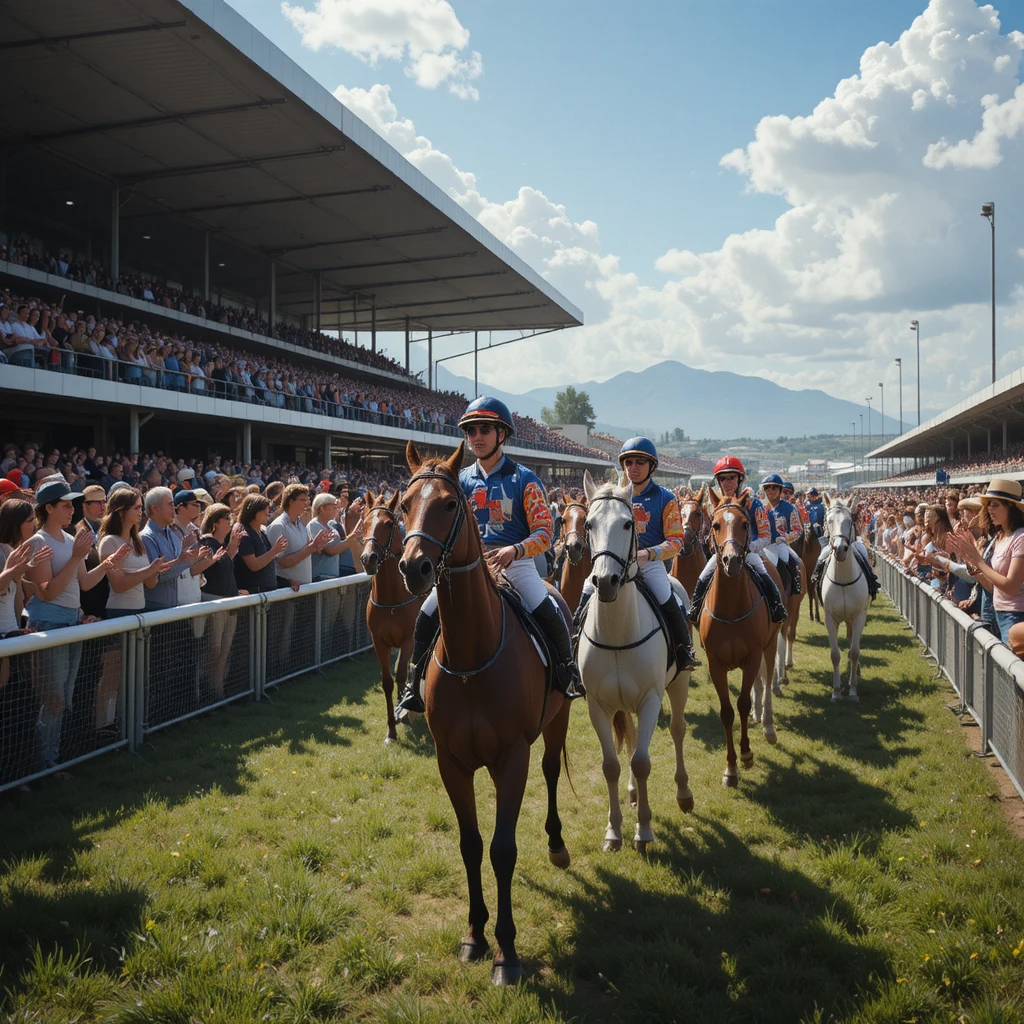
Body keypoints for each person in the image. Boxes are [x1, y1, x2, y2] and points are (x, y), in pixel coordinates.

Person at [397, 396, 583, 717]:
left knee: (546, 609)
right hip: (466, 569)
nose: (476, 437)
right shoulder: (458, 480)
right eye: (471, 431)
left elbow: (544, 533)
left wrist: (515, 550)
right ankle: (414, 685)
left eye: (484, 429)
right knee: (427, 615)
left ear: (502, 434)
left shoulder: (525, 479)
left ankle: (568, 673)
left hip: (515, 566)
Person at [25, 479, 129, 769]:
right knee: (54, 700)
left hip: (72, 623)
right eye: (66, 505)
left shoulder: (72, 541)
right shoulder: (38, 542)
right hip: (49, 624)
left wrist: (107, 565)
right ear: (48, 509)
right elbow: (47, 591)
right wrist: (75, 559)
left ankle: (52, 760)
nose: (73, 510)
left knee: (64, 700)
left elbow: (83, 582)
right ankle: (44, 764)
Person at [574, 437, 699, 671]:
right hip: (615, 563)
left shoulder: (666, 498)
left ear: (651, 466)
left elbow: (676, 541)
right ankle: (574, 648)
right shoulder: (611, 497)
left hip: (649, 564)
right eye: (629, 462)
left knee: (666, 596)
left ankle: (683, 649)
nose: (633, 467)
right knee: (586, 591)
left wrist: (649, 554)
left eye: (640, 462)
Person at [688, 456, 788, 624]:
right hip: (723, 553)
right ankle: (695, 610)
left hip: (748, 551)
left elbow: (765, 535)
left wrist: (748, 547)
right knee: (703, 577)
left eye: (731, 478)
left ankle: (777, 606)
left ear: (740, 479)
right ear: (718, 482)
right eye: (723, 479)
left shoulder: (754, 503)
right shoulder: (714, 505)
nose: (727, 482)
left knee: (763, 573)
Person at [949, 478, 1024, 645]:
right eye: (988, 504)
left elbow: (1011, 587)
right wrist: (973, 562)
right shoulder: (1001, 537)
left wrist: (978, 560)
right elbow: (992, 586)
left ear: (1010, 508)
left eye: (995, 504)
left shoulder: (1020, 538)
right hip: (998, 612)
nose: (989, 509)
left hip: (1016, 615)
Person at [234, 495, 289, 594]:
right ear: (254, 512)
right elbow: (254, 565)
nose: (268, 514)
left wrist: (288, 582)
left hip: (267, 591)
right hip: (253, 594)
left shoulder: (262, 533)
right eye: (265, 512)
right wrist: (274, 551)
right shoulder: (245, 535)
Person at [760, 474, 802, 594]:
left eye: (774, 488)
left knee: (792, 559)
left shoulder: (789, 508)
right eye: (767, 488)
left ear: (780, 490)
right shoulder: (760, 508)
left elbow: (798, 530)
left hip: (781, 545)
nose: (770, 491)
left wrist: (786, 538)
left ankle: (794, 583)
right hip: (762, 545)